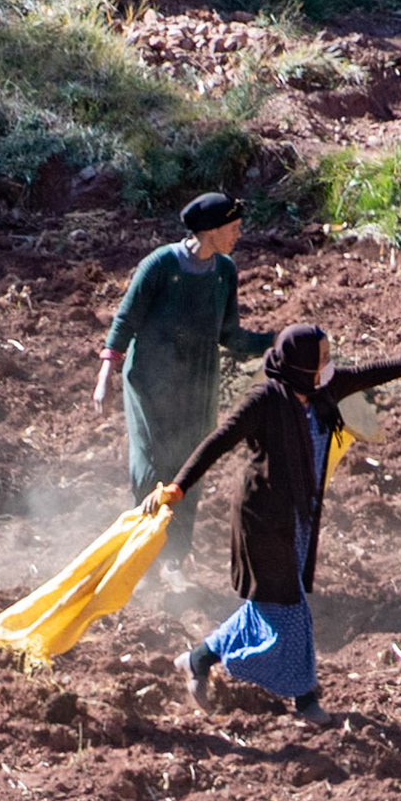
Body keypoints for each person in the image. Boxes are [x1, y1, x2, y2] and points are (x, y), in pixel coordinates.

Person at [152, 323, 401, 726]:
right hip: (261, 521)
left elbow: (371, 373)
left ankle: (197, 660)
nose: (329, 366)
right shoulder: (264, 400)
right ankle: (305, 697)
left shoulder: (321, 392)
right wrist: (179, 486)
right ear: (298, 365)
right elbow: (220, 440)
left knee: (269, 603)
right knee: (292, 611)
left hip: (298, 519)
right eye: (322, 360)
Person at [94, 192, 275, 586]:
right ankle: (141, 557)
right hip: (149, 382)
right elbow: (125, 321)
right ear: (209, 230)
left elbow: (229, 335)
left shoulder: (224, 271)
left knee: (189, 468)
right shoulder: (160, 265)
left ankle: (174, 560)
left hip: (197, 382)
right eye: (233, 228)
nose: (238, 235)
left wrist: (277, 341)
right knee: (150, 467)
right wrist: (105, 374)